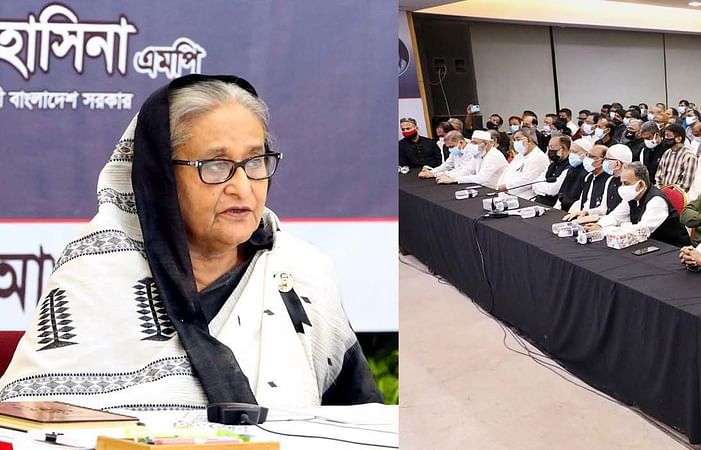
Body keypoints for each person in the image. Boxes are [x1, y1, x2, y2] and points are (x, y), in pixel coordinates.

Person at [0, 75, 382, 408]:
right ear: (161, 178)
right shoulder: (98, 272)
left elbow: (359, 417)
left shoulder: (302, 271)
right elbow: (33, 422)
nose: (241, 186)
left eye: (255, 161)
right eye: (214, 165)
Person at [586, 162, 690, 247]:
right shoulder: (632, 196)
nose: (622, 187)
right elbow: (616, 216)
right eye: (621, 183)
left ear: (641, 184)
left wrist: (604, 231)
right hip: (648, 245)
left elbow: (640, 231)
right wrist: (599, 225)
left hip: (671, 248)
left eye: (626, 184)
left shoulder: (657, 201)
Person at [436, 129, 508, 188]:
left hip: (496, 189)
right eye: (472, 143)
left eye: (475, 143)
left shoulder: (494, 155)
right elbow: (468, 170)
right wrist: (448, 176)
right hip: (483, 186)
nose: (473, 146)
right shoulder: (479, 153)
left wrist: (454, 179)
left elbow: (481, 178)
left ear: (486, 144)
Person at [496, 127, 550, 199]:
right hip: (507, 194)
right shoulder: (520, 155)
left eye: (518, 139)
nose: (516, 143)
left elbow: (529, 180)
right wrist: (500, 185)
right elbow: (507, 172)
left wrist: (507, 187)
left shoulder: (539, 157)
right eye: (514, 140)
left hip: (525, 197)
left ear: (530, 140)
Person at [564, 144, 612, 218]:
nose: (588, 159)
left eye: (592, 157)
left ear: (603, 161)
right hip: (582, 216)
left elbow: (604, 209)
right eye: (587, 155)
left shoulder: (608, 181)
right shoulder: (588, 177)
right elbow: (583, 201)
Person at [654, 124, 697, 192]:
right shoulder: (667, 153)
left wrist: (670, 194)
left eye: (668, 136)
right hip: (662, 193)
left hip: (677, 197)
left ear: (679, 139)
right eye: (665, 136)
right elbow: (658, 176)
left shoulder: (689, 156)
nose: (665, 138)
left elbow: (685, 185)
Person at [532, 135, 572, 206]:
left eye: (553, 147)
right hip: (539, 201)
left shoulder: (569, 167)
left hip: (554, 205)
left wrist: (541, 189)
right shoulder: (552, 165)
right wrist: (544, 189)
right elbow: (535, 184)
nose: (550, 150)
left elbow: (553, 190)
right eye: (549, 147)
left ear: (564, 149)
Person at [554, 139, 592, 211]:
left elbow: (582, 200)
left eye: (575, 152)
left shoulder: (588, 172)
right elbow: (562, 193)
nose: (571, 154)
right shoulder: (571, 169)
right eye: (571, 151)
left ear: (586, 154)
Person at [601, 143, 633, 214]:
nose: (604, 161)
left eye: (607, 159)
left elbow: (622, 213)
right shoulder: (610, 180)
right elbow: (604, 208)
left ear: (617, 163)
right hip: (607, 220)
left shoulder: (629, 183)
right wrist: (587, 212)